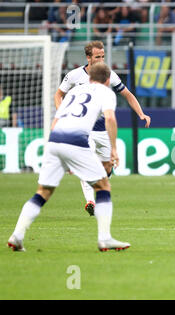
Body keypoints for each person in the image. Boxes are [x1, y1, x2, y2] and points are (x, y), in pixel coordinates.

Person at [7, 62, 130, 252]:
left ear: (89, 78)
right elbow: (110, 119)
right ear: (107, 80)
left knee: (43, 191)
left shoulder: (73, 92)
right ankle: (104, 238)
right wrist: (113, 149)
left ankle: (17, 235)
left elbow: (57, 119)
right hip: (76, 140)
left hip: (55, 139)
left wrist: (59, 152)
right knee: (103, 185)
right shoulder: (106, 93)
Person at [54, 40, 151, 217]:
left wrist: (141, 113)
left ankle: (98, 194)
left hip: (104, 131)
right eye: (97, 57)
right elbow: (59, 94)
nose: (101, 60)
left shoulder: (109, 75)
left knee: (107, 168)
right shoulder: (75, 76)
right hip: (85, 129)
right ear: (88, 57)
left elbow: (127, 94)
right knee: (86, 163)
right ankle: (90, 201)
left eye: (103, 56)